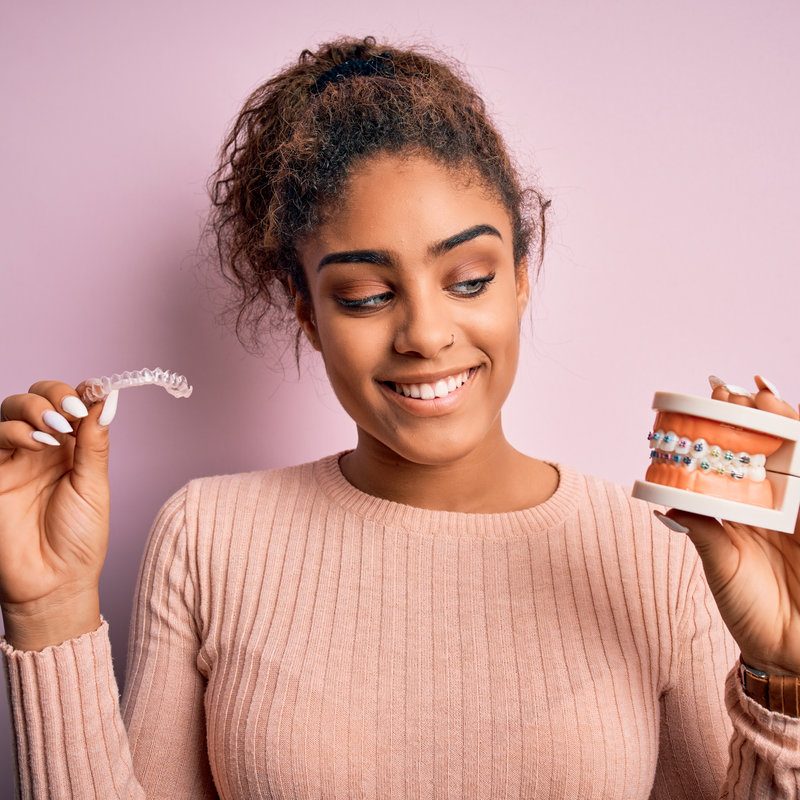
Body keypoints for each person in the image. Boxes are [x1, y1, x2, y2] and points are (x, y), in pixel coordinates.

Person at [1, 33, 798, 799]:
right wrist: (48, 609)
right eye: (365, 295)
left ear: (522, 277)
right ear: (308, 313)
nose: (425, 333)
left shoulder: (659, 553)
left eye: (469, 280)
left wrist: (785, 682)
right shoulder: (207, 539)